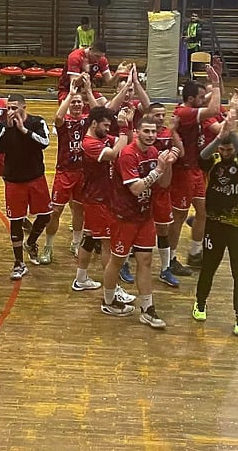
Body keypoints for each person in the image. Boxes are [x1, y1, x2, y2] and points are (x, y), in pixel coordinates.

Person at [101, 115, 177, 329]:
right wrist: (158, 169)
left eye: (154, 131)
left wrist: (168, 165)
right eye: (146, 131)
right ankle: (108, 301)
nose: (151, 135)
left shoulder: (153, 153)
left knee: (145, 261)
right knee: (117, 261)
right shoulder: (127, 154)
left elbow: (164, 183)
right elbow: (136, 188)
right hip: (123, 217)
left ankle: (147, 308)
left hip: (144, 216)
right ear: (137, 133)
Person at [193, 111, 238, 336]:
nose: (226, 153)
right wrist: (219, 137)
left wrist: (232, 132)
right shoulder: (212, 164)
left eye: (230, 150)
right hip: (214, 225)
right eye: (223, 149)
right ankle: (200, 303)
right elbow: (201, 157)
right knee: (208, 267)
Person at [41, 76, 105, 265]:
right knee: (55, 211)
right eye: (73, 102)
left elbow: (98, 114)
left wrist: (88, 90)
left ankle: (76, 243)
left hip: (82, 172)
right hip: (64, 172)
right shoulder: (65, 122)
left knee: (79, 210)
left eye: (79, 102)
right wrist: (70, 94)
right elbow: (57, 118)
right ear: (69, 105)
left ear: (83, 105)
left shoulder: (87, 121)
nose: (76, 105)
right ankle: (48, 246)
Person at [73, 105, 134, 296]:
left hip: (100, 197)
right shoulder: (89, 143)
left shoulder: (102, 138)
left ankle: (80, 279)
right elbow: (114, 154)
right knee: (108, 243)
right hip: (97, 199)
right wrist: (122, 128)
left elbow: (127, 143)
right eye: (105, 125)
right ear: (94, 124)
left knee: (90, 238)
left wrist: (128, 123)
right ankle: (113, 289)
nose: (108, 129)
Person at [168, 67, 222, 277]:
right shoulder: (184, 112)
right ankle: (170, 259)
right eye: (200, 97)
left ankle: (195, 252)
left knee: (203, 211)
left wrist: (217, 80)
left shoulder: (192, 106)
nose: (204, 99)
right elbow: (213, 109)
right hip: (182, 172)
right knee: (179, 216)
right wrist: (215, 84)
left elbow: (209, 100)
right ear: (191, 99)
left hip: (196, 169)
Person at [0, 94, 52, 279]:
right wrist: (11, 129)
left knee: (45, 215)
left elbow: (45, 142)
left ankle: (31, 242)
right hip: (13, 180)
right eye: (8, 108)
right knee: (16, 221)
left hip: (36, 177)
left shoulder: (37, 122)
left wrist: (23, 130)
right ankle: (18, 263)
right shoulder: (3, 126)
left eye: (14, 108)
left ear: (23, 107)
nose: (10, 111)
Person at [148, 102, 184, 287]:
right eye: (157, 115)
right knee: (135, 230)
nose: (161, 118)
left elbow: (181, 151)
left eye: (163, 114)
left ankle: (165, 269)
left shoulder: (168, 134)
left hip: (162, 191)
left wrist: (173, 132)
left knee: (163, 230)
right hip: (144, 190)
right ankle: (125, 265)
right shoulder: (141, 136)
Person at [57, 39, 128, 104]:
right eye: (97, 56)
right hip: (68, 90)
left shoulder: (101, 59)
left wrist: (117, 73)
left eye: (101, 56)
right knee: (70, 107)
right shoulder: (75, 57)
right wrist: (85, 72)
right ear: (90, 49)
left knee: (104, 103)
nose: (98, 59)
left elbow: (110, 82)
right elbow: (74, 84)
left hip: (86, 91)